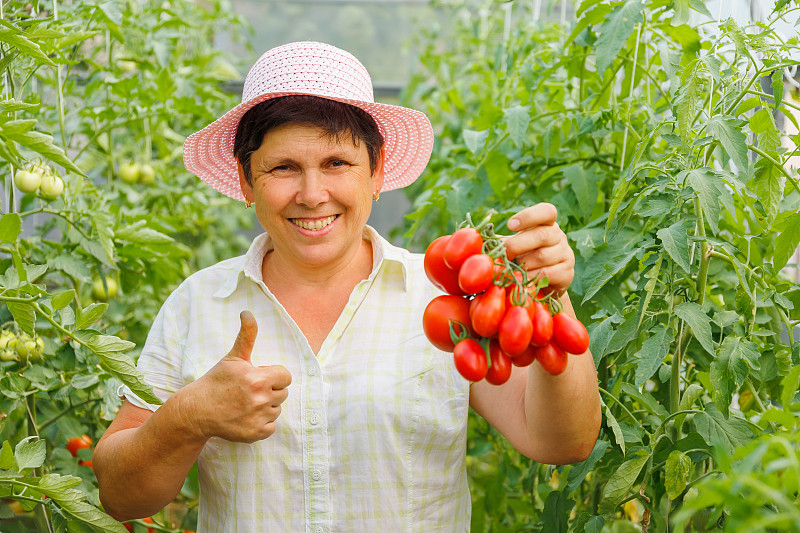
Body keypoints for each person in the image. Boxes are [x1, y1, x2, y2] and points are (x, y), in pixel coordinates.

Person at [93, 41, 601, 532]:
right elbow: (119, 496)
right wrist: (187, 418)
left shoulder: (443, 297)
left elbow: (563, 442)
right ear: (247, 181)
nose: (312, 194)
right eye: (283, 167)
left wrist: (549, 296)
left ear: (376, 173)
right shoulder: (198, 303)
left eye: (337, 163)